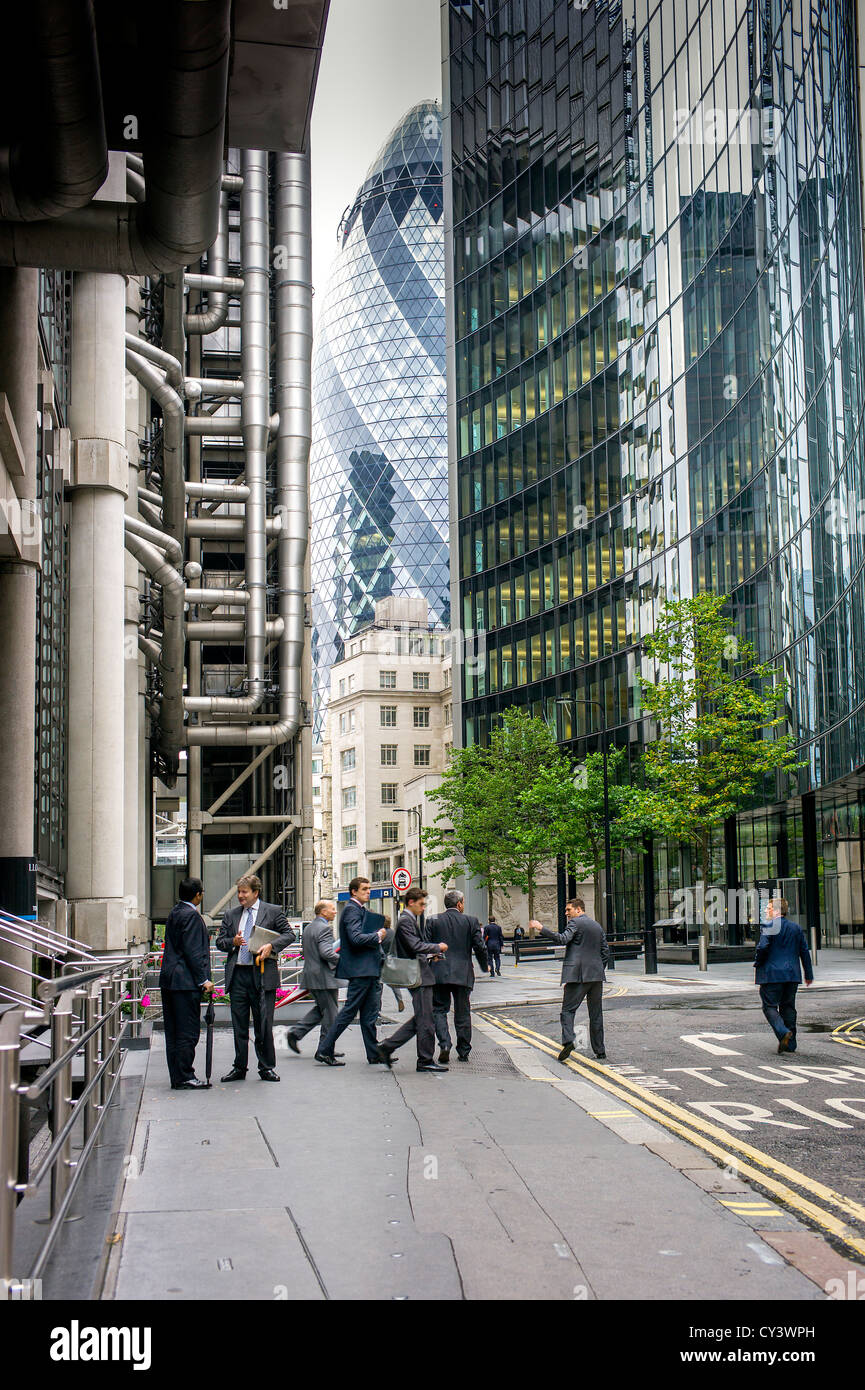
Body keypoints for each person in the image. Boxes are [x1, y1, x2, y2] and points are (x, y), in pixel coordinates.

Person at [216, 873, 295, 1082]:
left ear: (255, 892)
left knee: (264, 1023)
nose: (240, 896)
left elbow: (289, 934)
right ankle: (239, 1067)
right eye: (239, 892)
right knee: (239, 1024)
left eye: (244, 892)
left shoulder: (272, 911)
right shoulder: (231, 915)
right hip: (238, 975)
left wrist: (271, 946)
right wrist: (232, 941)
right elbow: (219, 942)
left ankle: (266, 1067)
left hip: (261, 974)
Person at [315, 877, 387, 1066]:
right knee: (348, 1012)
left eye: (369, 888)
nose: (368, 891)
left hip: (368, 969)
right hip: (361, 970)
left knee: (369, 1014)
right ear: (353, 891)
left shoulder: (359, 910)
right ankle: (324, 1050)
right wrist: (377, 936)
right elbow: (355, 938)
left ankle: (374, 1054)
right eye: (364, 889)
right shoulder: (351, 910)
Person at [377, 887, 449, 1072]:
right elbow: (414, 945)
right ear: (411, 902)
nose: (423, 908)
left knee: (422, 1018)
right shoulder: (406, 921)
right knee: (426, 1020)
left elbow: (412, 948)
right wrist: (437, 947)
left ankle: (387, 1047)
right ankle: (424, 1060)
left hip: (420, 973)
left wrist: (430, 956)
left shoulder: (408, 920)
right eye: (421, 904)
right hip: (419, 977)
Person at [531, 897, 609, 1062]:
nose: (566, 913)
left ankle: (568, 1040)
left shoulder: (575, 923)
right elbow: (605, 951)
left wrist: (541, 928)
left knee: (567, 1010)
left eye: (569, 910)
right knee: (596, 1014)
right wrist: (598, 968)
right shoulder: (597, 926)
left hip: (577, 975)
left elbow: (562, 939)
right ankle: (600, 1051)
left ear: (579, 909)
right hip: (596, 976)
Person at [159, 877, 214, 1089]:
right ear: (198, 894)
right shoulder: (191, 915)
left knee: (173, 1031)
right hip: (185, 982)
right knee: (187, 1031)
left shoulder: (175, 912)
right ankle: (185, 1075)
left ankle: (178, 1075)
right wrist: (204, 980)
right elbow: (193, 951)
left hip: (170, 980)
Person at [427, 889, 488, 1063]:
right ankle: (463, 1051)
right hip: (463, 973)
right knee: (462, 1012)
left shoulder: (432, 920)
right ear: (460, 904)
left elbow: (426, 946)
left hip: (439, 972)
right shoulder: (471, 921)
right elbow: (480, 947)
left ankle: (445, 1044)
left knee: (439, 1010)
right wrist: (484, 966)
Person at [285, 900, 344, 1058]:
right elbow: (326, 952)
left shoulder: (310, 927)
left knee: (321, 1010)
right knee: (331, 1014)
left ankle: (295, 1033)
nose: (335, 911)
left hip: (312, 975)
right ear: (323, 912)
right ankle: (325, 1050)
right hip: (324, 978)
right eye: (332, 909)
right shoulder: (325, 928)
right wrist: (343, 961)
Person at [754, 897, 813, 1053]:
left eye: (768, 908)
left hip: (772, 975)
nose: (766, 910)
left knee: (769, 1006)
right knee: (788, 1007)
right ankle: (791, 1044)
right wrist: (808, 974)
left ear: (777, 910)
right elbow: (804, 952)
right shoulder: (796, 928)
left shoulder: (769, 926)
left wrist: (757, 962)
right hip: (792, 975)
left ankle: (782, 1032)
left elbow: (763, 947)